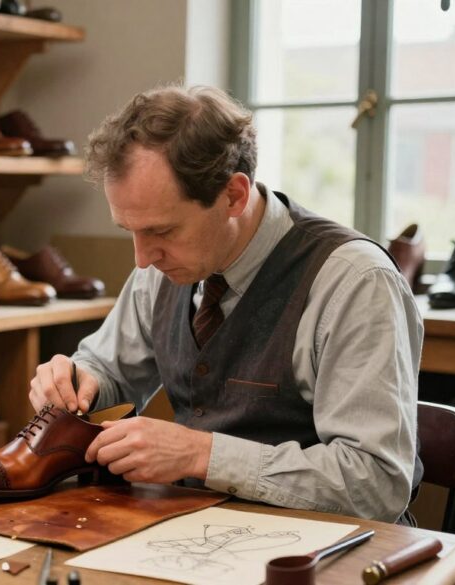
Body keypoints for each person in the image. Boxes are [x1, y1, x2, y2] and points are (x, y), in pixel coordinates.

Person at [29, 85, 422, 523]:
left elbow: (377, 484)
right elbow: (108, 369)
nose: (142, 258)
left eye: (161, 231)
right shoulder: (164, 266)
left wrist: (203, 455)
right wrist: (79, 381)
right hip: (198, 534)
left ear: (234, 195)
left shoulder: (355, 282)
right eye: (129, 231)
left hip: (327, 553)